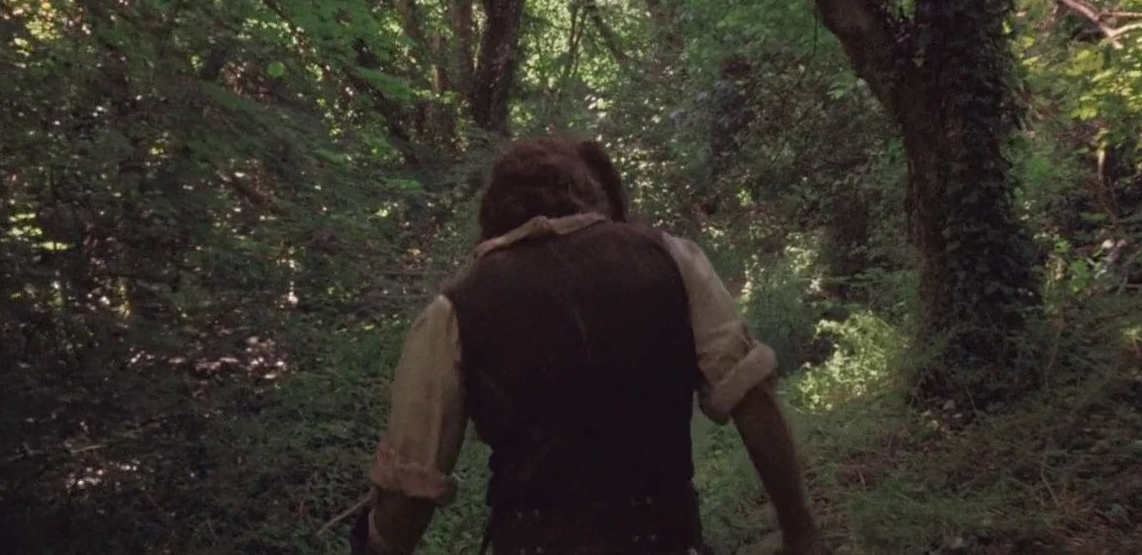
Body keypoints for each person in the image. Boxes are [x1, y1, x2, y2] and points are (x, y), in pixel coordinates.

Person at [352, 138, 823, 555]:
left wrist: (375, 541)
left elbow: (410, 492)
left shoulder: (455, 307)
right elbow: (752, 399)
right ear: (591, 195)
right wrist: (800, 534)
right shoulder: (672, 258)